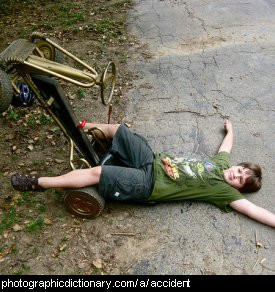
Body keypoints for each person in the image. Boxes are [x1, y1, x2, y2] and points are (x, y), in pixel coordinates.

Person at [11, 120, 275, 228]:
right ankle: (81, 125)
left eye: (241, 180)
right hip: (151, 161)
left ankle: (40, 183)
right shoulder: (220, 164)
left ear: (238, 189)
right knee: (120, 129)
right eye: (239, 170)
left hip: (149, 185)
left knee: (98, 172)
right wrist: (230, 130)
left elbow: (254, 212)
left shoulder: (223, 191)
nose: (236, 175)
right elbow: (226, 147)